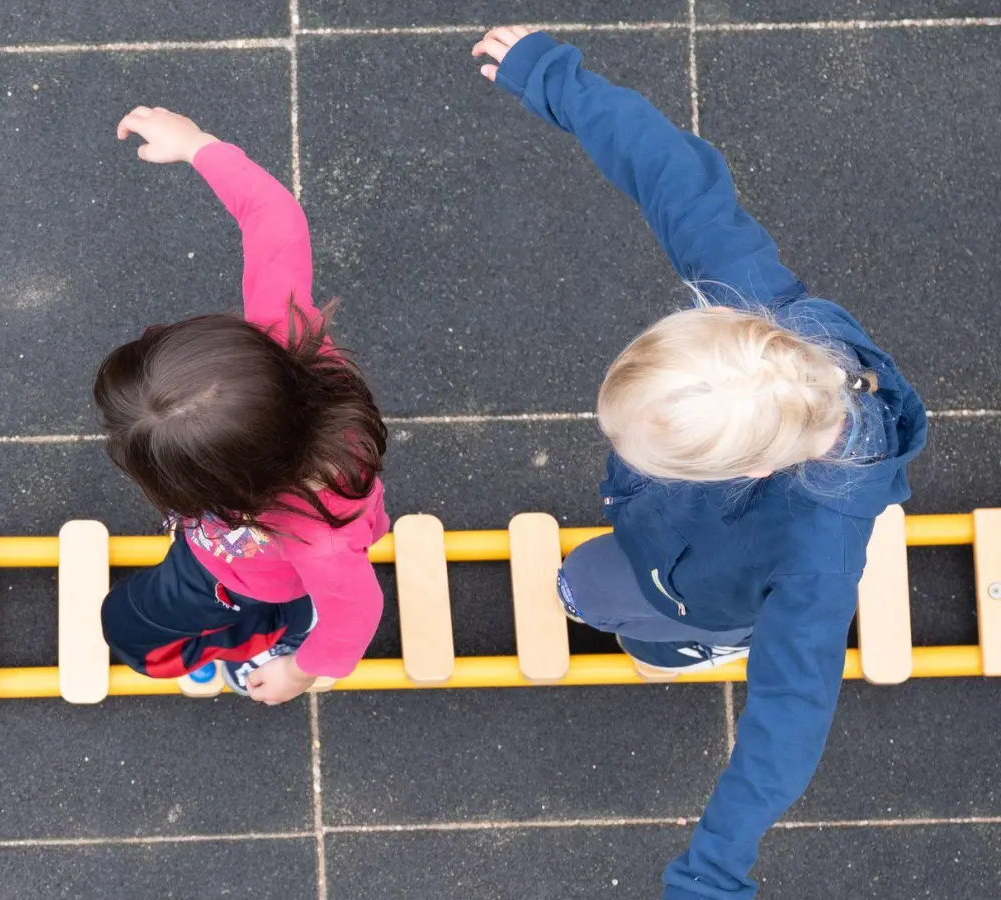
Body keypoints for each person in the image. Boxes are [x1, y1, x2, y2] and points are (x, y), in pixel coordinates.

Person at [474, 26, 928, 900]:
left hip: (708, 587)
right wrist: (553, 79)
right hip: (669, 533)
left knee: (629, 617)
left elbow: (789, 721)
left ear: (742, 468)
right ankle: (666, 605)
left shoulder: (816, 560)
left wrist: (714, 869)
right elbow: (674, 176)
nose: (615, 452)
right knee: (581, 588)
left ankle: (710, 641)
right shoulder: (750, 311)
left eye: (639, 450)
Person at [95, 107, 390, 704]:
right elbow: (272, 216)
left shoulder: (317, 541)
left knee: (127, 628)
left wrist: (299, 672)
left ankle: (272, 633)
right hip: (246, 547)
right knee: (134, 612)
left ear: (220, 489)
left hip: (249, 580)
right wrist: (200, 145)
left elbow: (356, 617)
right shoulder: (283, 333)